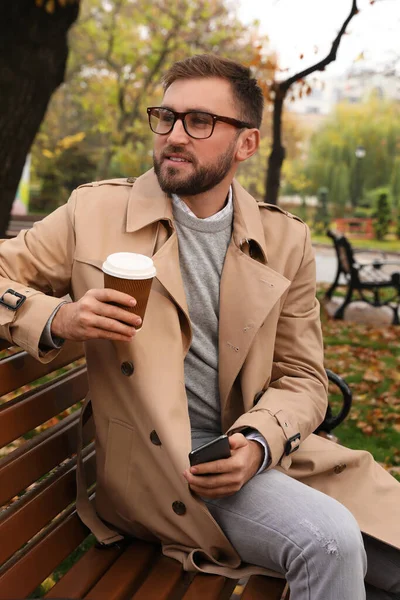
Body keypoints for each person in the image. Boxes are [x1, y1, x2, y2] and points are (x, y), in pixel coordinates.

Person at [0, 55, 399, 600]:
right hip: (159, 471)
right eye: (166, 117)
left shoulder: (285, 241)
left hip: (263, 458)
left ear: (247, 144)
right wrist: (57, 316)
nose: (174, 136)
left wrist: (258, 443)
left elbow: (304, 377)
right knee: (328, 543)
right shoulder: (93, 213)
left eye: (200, 122)